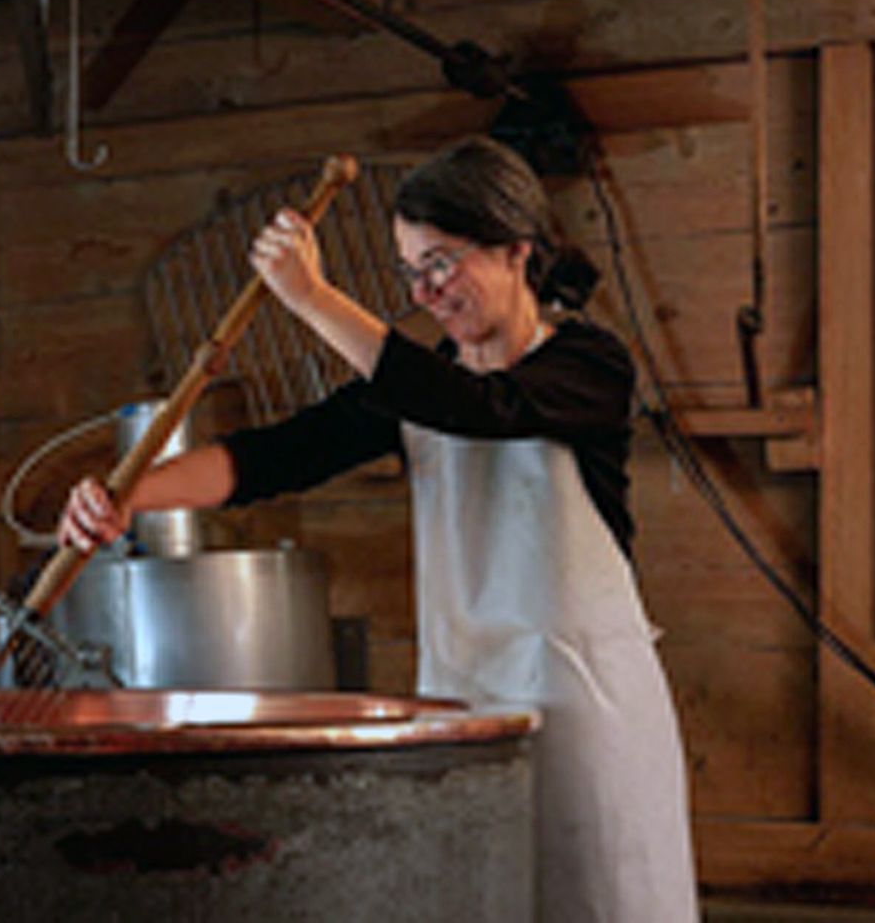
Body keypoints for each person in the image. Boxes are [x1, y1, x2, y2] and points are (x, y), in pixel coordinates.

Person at [58, 136, 698, 922]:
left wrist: (312, 299)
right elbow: (278, 455)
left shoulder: (587, 364)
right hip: (468, 702)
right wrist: (130, 498)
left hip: (587, 704)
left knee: (605, 901)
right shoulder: (417, 384)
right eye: (410, 271)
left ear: (515, 251)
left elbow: (480, 410)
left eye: (441, 263)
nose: (426, 291)